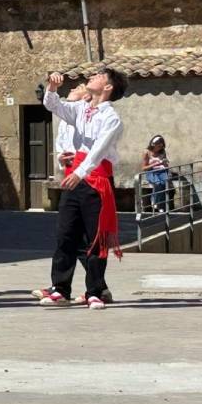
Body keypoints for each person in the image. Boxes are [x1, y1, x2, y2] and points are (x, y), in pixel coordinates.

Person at [38, 68, 127, 311]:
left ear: (108, 87)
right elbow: (53, 106)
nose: (91, 77)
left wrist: (79, 172)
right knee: (66, 234)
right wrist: (53, 87)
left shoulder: (112, 118)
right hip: (75, 178)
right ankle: (60, 288)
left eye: (99, 76)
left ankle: (95, 290)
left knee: (96, 238)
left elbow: (99, 151)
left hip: (95, 181)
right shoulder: (80, 109)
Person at [143, 135, 170, 213]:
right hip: (151, 171)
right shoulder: (146, 152)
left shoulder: (162, 151)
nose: (159, 148)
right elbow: (144, 168)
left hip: (162, 170)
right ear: (153, 145)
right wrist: (154, 164)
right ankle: (155, 201)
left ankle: (159, 204)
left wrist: (165, 163)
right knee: (158, 183)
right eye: (158, 146)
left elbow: (166, 164)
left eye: (161, 146)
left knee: (164, 183)